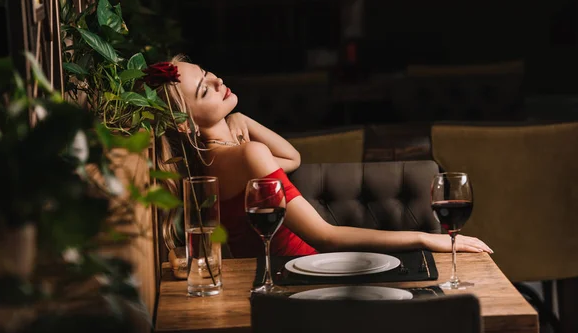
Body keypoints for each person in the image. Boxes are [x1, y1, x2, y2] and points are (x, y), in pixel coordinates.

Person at [154, 56, 493, 258]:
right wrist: (425, 238)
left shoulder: (207, 162)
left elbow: (292, 158)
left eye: (208, 72)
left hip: (271, 280)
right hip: (303, 280)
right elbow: (324, 236)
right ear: (185, 125)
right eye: (204, 88)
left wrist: (239, 120)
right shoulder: (248, 154)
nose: (217, 80)